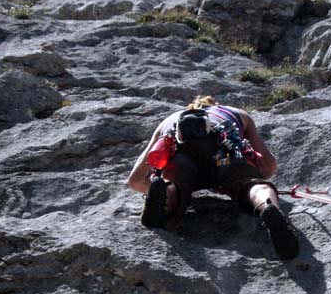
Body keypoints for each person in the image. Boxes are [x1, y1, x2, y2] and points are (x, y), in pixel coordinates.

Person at [126, 95, 299, 260]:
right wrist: (249, 177)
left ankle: (166, 195)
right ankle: (267, 205)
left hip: (182, 152)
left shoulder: (172, 118)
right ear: (215, 105)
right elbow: (269, 165)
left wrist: (152, 185)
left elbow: (135, 180)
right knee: (248, 183)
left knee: (176, 181)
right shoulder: (237, 113)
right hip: (224, 150)